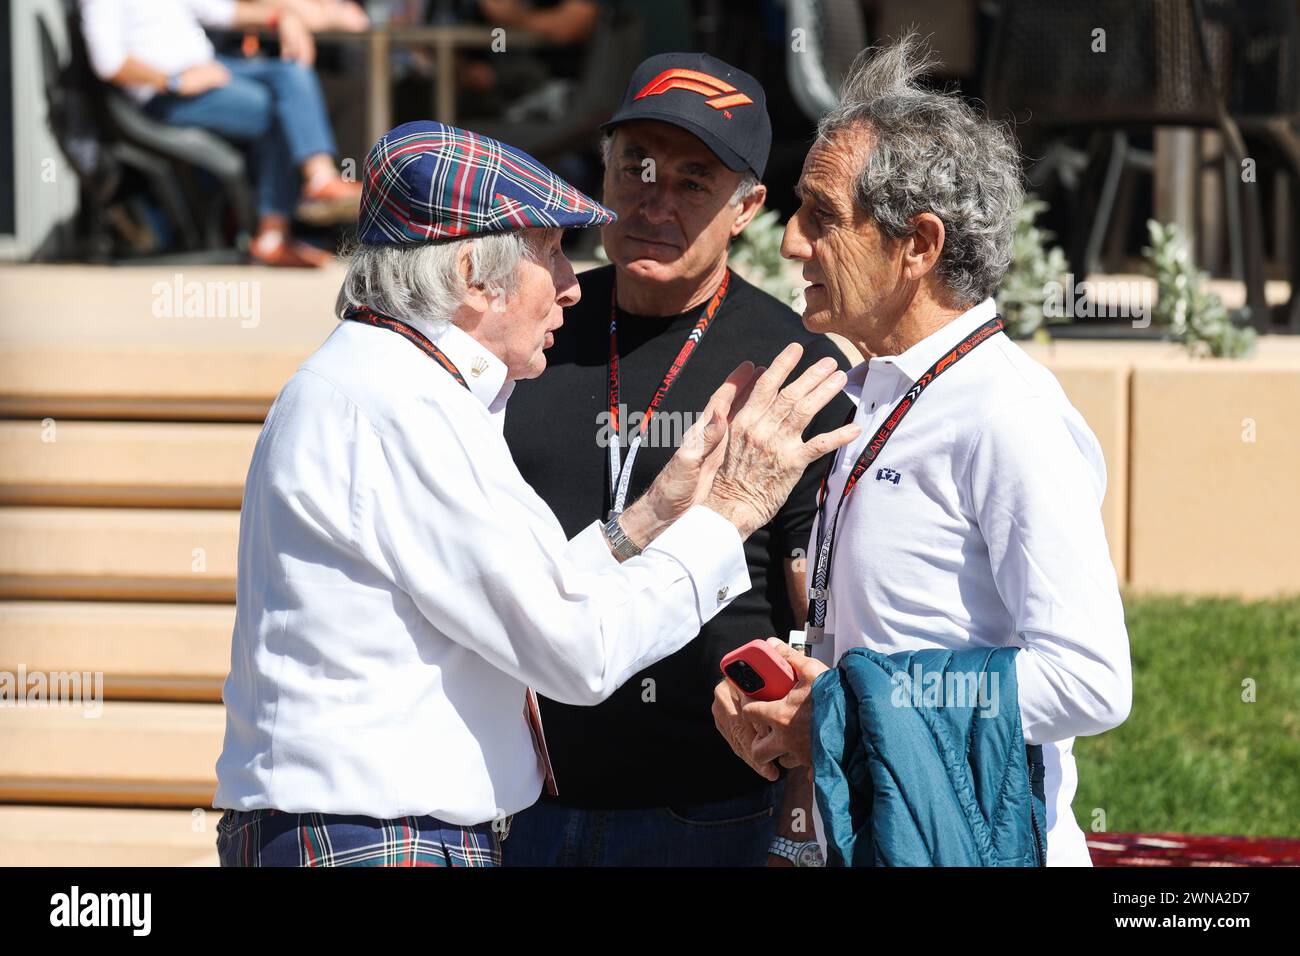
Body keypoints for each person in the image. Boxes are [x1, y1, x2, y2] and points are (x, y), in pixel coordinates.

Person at [212, 120, 859, 866]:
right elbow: (575, 654)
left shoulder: (394, 386)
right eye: (550, 252)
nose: (571, 285)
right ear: (470, 276)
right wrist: (731, 511)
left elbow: (525, 604)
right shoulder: (401, 404)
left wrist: (653, 516)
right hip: (377, 838)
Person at [713, 35, 1132, 866]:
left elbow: (1090, 681)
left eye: (822, 217)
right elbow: (905, 637)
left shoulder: (1007, 415)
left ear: (919, 245)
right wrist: (803, 688)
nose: (792, 242)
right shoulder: (889, 390)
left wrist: (839, 711)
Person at [502, 53, 852, 867]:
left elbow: (815, 623)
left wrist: (798, 838)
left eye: (694, 182)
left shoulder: (790, 371)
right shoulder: (534, 331)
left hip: (709, 817)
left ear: (747, 208)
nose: (656, 203)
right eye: (639, 170)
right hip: (525, 805)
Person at [79, 0, 362, 267]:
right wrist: (173, 81)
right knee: (280, 108)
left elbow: (221, 11)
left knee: (292, 72)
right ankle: (274, 233)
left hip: (210, 68)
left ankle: (320, 179)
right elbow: (108, 63)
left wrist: (282, 16)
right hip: (168, 92)